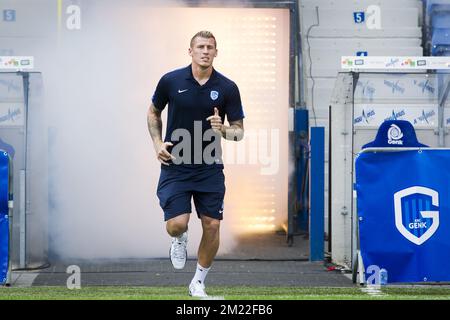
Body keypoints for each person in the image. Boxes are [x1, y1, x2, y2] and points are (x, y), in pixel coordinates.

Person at [147, 31, 245, 297]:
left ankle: (198, 283)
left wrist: (222, 129)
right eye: (200, 47)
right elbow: (154, 112)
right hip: (176, 165)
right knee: (177, 224)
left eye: (210, 47)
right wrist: (157, 143)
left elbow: (239, 131)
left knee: (212, 224)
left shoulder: (227, 87)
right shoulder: (171, 81)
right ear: (190, 51)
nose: (205, 51)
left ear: (216, 52)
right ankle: (179, 238)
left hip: (209, 167)